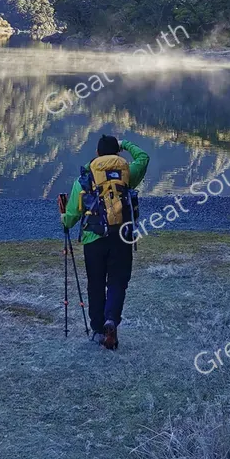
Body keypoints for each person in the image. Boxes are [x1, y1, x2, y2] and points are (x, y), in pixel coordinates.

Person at [61, 134, 150, 350]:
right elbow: (143, 157)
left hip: (94, 239)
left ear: (97, 154)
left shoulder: (85, 176)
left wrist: (64, 218)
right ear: (118, 153)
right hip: (122, 237)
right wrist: (125, 143)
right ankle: (111, 320)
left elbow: (73, 214)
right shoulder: (126, 172)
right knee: (118, 281)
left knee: (96, 284)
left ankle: (98, 330)